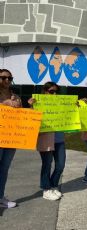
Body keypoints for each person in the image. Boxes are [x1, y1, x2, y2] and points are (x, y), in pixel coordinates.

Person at [28, 82, 66, 201]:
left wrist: (75, 105)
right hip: (45, 138)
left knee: (60, 165)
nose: (54, 94)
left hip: (59, 138)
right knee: (47, 164)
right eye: (51, 91)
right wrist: (31, 107)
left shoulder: (61, 103)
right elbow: (31, 118)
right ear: (44, 91)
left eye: (56, 92)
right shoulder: (37, 103)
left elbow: (70, 114)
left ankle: (53, 185)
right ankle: (46, 189)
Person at [0, 69, 21, 208]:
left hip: (11, 137)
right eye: (3, 77)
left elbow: (22, 116)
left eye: (10, 78)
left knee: (4, 168)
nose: (7, 80)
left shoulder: (15, 96)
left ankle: (1, 197)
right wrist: (4, 104)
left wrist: (20, 105)